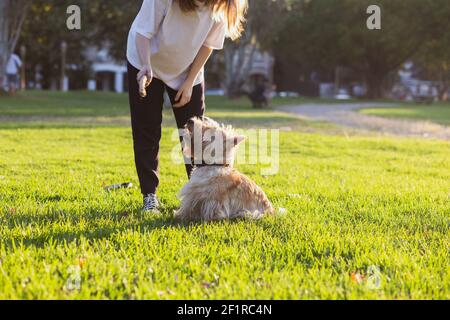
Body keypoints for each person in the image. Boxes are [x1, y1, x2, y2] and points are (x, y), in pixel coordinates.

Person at [127, 0, 248, 211]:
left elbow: (208, 44)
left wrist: (190, 81)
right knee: (147, 129)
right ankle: (150, 196)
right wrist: (146, 67)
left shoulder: (221, 4)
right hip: (145, 62)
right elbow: (143, 33)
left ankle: (200, 199)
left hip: (187, 70)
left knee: (197, 135)